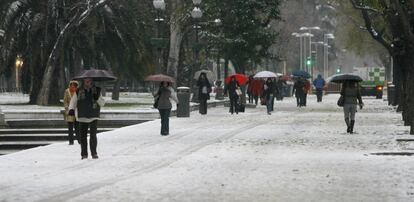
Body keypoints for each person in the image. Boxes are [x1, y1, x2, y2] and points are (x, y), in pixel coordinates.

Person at [68, 77, 105, 160]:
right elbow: (73, 101)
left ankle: (94, 153)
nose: (87, 82)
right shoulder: (78, 91)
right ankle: (84, 154)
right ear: (83, 81)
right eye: (86, 80)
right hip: (82, 116)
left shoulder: (97, 90)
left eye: (89, 80)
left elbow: (102, 103)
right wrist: (71, 109)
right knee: (83, 136)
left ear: (92, 81)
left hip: (93, 115)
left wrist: (97, 98)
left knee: (93, 135)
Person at [63, 80, 79, 145]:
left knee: (77, 126)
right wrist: (67, 107)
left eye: (74, 85)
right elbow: (65, 100)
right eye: (71, 85)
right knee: (70, 127)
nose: (72, 86)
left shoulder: (78, 91)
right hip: (70, 111)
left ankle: (79, 140)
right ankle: (71, 141)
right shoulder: (67, 91)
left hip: (77, 111)